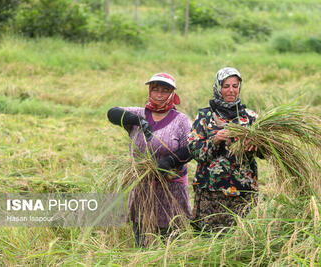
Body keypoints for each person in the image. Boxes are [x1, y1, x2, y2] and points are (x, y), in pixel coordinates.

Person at [107, 73, 192, 245]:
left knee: (170, 243)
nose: (159, 94)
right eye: (155, 90)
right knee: (143, 240)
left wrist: (169, 162)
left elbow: (191, 149)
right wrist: (138, 120)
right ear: (149, 91)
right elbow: (112, 113)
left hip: (171, 189)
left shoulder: (181, 121)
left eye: (165, 90)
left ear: (172, 94)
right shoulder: (139, 114)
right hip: (143, 187)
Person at [188, 67, 263, 232]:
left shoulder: (250, 118)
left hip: (242, 192)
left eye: (235, 86)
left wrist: (257, 145)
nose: (231, 90)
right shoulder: (205, 117)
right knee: (207, 239)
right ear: (218, 87)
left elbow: (266, 151)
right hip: (210, 192)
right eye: (226, 86)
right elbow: (194, 150)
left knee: (241, 240)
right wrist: (214, 140)